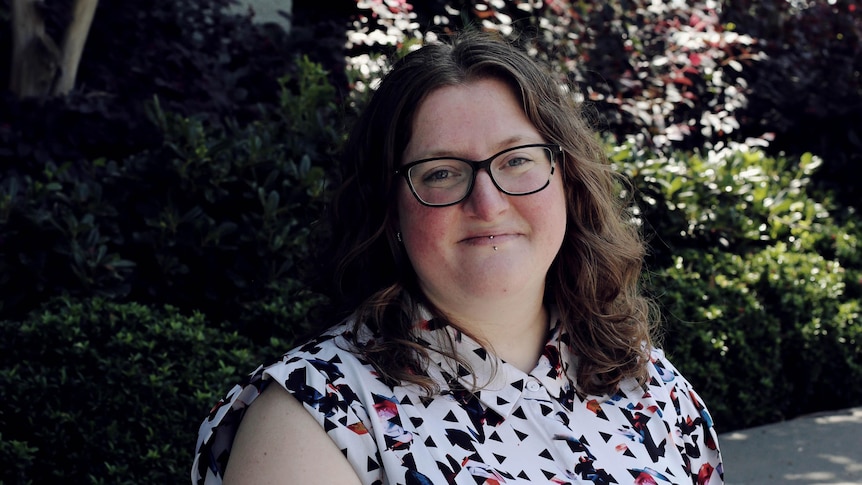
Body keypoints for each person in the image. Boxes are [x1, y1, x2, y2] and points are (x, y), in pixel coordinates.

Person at [191, 30, 724, 485]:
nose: (488, 203)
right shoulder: (313, 419)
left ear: (569, 179)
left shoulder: (644, 378)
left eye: (517, 160)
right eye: (441, 172)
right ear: (387, 208)